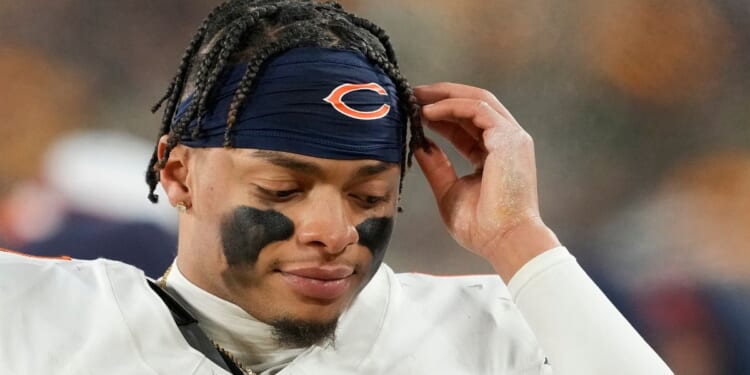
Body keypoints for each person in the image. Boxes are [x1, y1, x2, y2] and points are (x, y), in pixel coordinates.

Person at [0, 1, 673, 374]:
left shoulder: (483, 335)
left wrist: (517, 238)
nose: (334, 229)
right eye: (283, 189)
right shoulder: (38, 316)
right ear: (178, 173)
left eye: (369, 195)